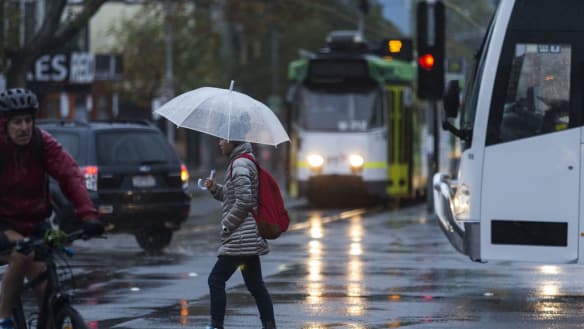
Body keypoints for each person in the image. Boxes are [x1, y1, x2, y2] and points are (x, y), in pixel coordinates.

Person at [0, 88, 104, 329]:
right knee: (22, 252)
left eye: (28, 120)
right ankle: (3, 318)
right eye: (17, 122)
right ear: (5, 124)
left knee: (45, 285)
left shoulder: (42, 143)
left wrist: (88, 215)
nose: (24, 127)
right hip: (3, 224)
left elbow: (69, 175)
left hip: (35, 223)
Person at [204, 138, 276, 329]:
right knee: (256, 286)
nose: (219, 143)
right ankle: (270, 326)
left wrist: (227, 224)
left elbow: (244, 202)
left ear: (232, 142)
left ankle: (216, 325)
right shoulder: (240, 162)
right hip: (247, 236)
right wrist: (214, 189)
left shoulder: (240, 164)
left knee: (216, 279)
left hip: (241, 236)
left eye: (222, 140)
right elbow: (232, 196)